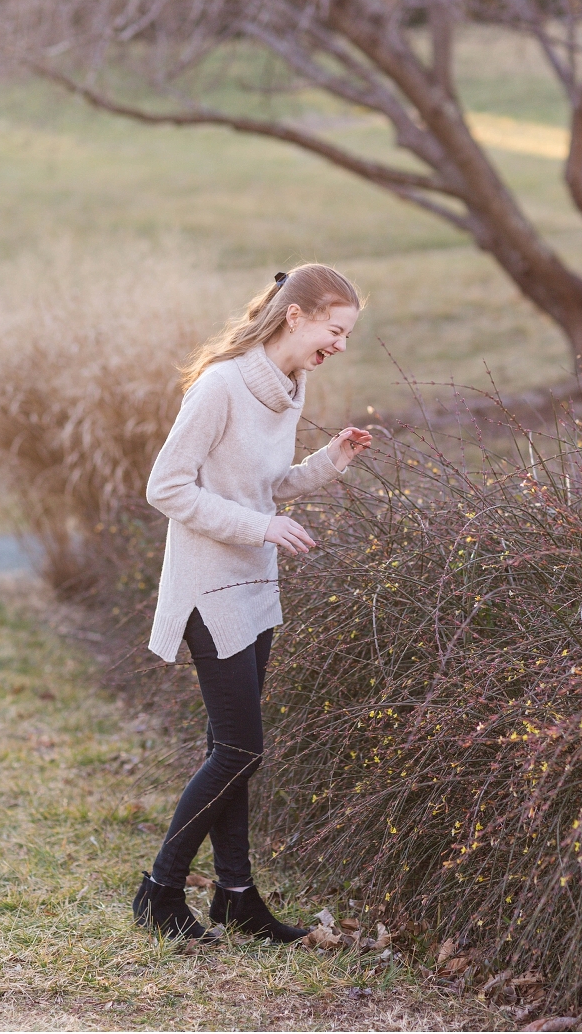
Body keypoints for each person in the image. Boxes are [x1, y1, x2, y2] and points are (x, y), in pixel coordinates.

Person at [132, 264, 372, 945]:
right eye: (335, 329)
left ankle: (236, 895)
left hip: (255, 585)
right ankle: (160, 889)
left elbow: (265, 488)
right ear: (296, 316)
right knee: (239, 747)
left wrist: (329, 463)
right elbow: (167, 487)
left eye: (347, 334)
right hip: (209, 584)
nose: (341, 346)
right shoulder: (222, 385)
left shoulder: (288, 387)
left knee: (231, 746)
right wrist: (258, 526)